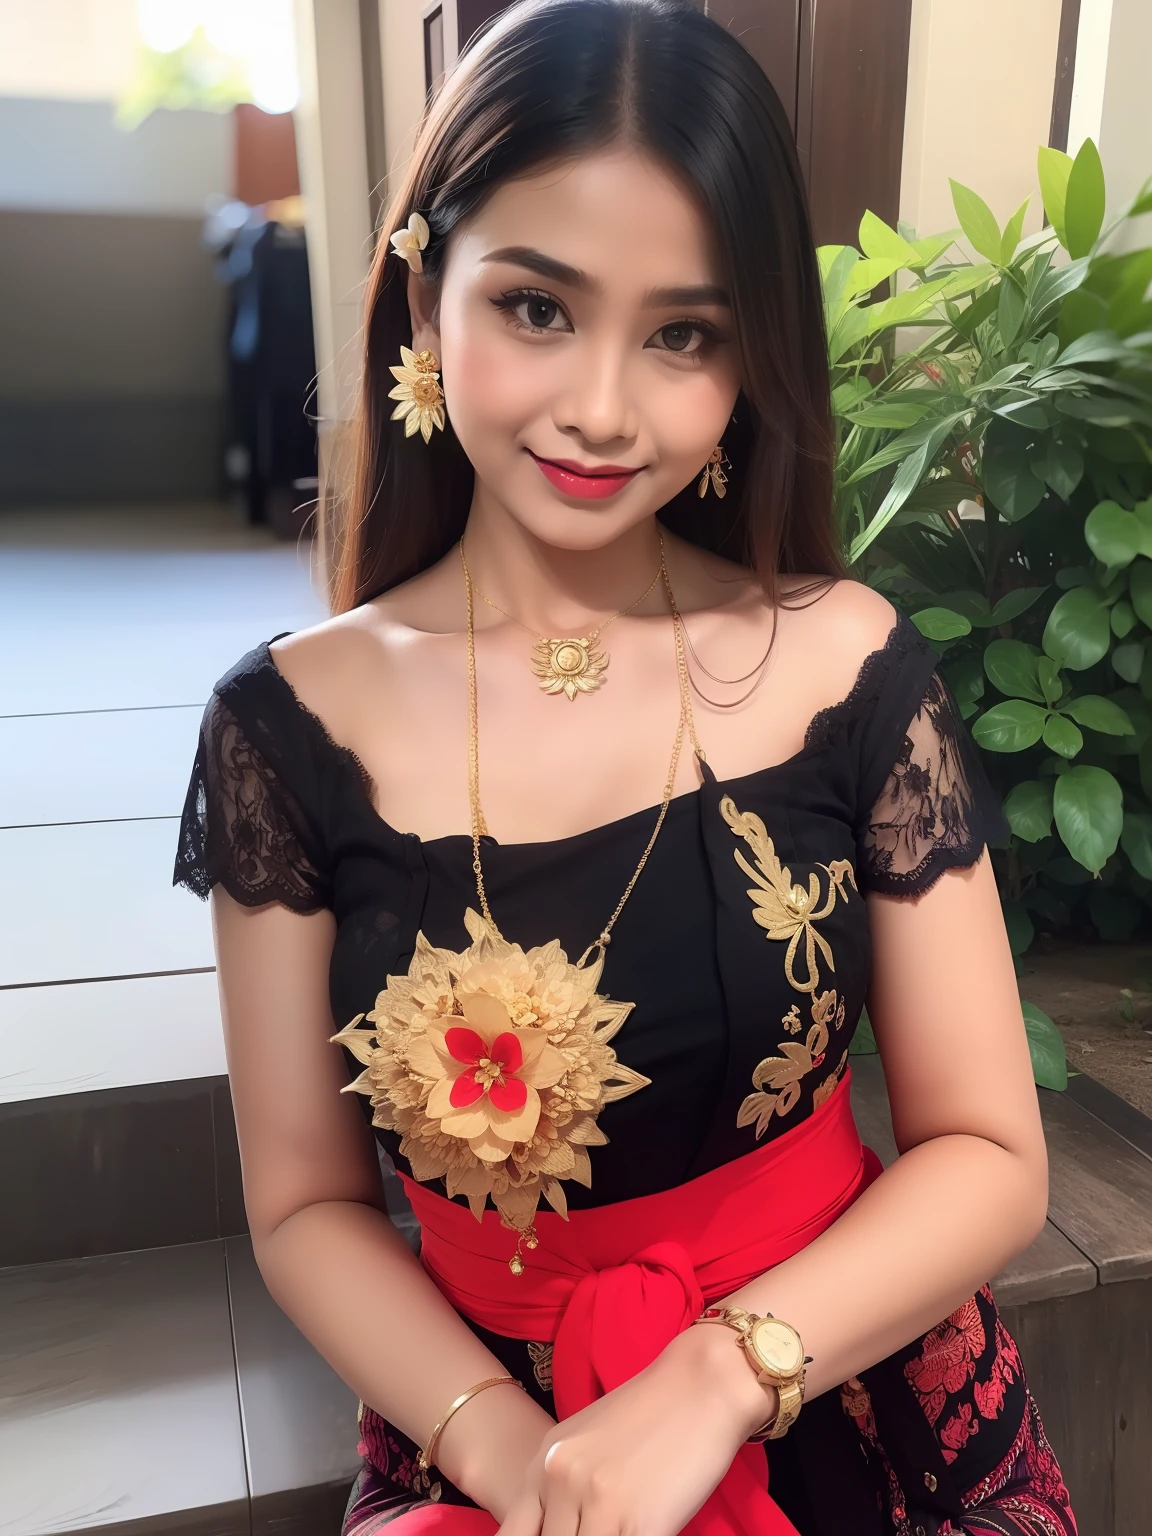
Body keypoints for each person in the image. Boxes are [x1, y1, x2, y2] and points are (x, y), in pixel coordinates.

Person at [173, 3, 1079, 1532]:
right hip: (481, 1433)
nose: (603, 405)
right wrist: (525, 1465)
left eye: (683, 334)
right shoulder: (284, 729)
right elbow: (308, 1205)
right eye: (538, 307)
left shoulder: (847, 664)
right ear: (424, 284)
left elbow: (990, 1152)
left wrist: (720, 1379)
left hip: (850, 1391)